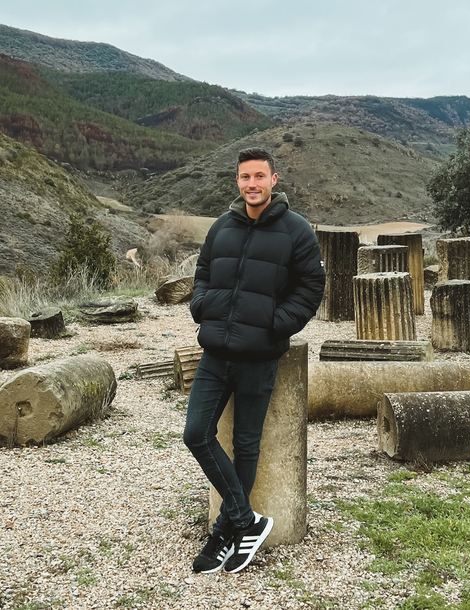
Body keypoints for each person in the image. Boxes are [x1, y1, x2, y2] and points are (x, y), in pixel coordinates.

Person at [183, 147, 325, 574]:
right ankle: (248, 520)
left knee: (246, 446)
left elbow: (311, 287)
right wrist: (202, 306)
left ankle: (225, 533)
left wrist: (275, 325)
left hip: (259, 357)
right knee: (196, 434)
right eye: (245, 177)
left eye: (259, 176)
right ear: (238, 181)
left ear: (274, 179)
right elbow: (203, 274)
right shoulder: (222, 227)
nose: (252, 184)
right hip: (215, 353)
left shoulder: (296, 230)